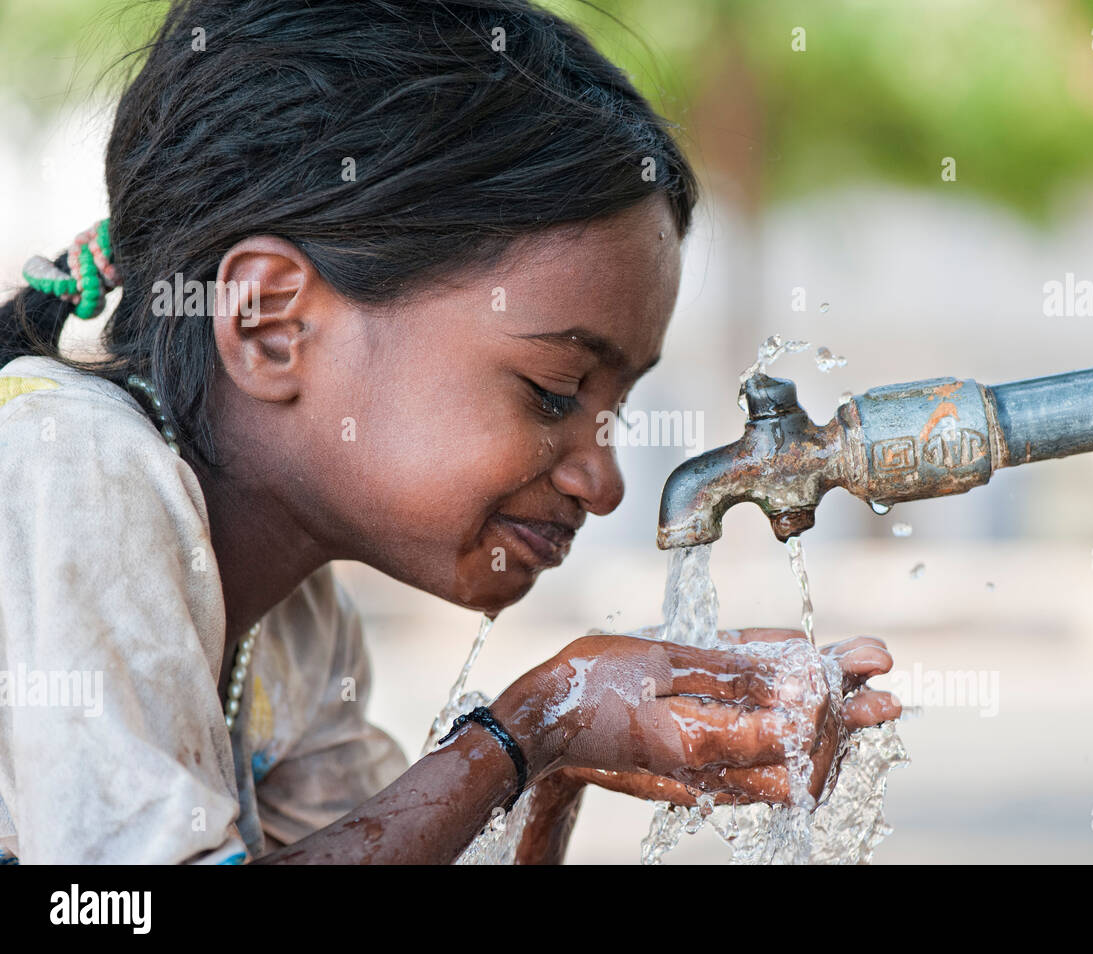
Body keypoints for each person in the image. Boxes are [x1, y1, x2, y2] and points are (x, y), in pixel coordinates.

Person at [0, 0, 899, 865]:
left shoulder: (298, 629)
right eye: (554, 391)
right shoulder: (67, 461)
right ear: (271, 323)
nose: (604, 479)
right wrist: (529, 728)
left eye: (614, 412)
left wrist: (563, 766)